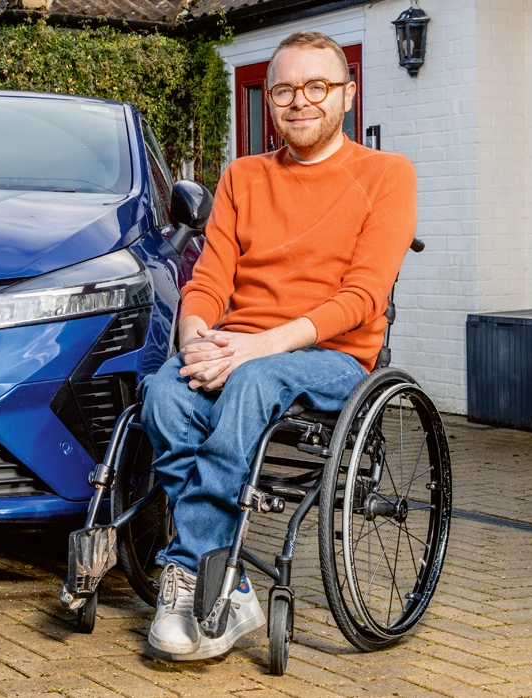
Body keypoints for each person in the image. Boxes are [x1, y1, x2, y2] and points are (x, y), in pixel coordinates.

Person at [140, 30, 418, 661]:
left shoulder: (386, 175)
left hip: (333, 357)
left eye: (316, 86)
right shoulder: (243, 176)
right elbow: (208, 280)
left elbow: (363, 297)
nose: (300, 101)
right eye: (285, 89)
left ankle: (189, 573)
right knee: (162, 389)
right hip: (239, 349)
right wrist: (197, 341)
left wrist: (254, 350)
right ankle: (229, 584)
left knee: (252, 382)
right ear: (272, 101)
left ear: (346, 94)